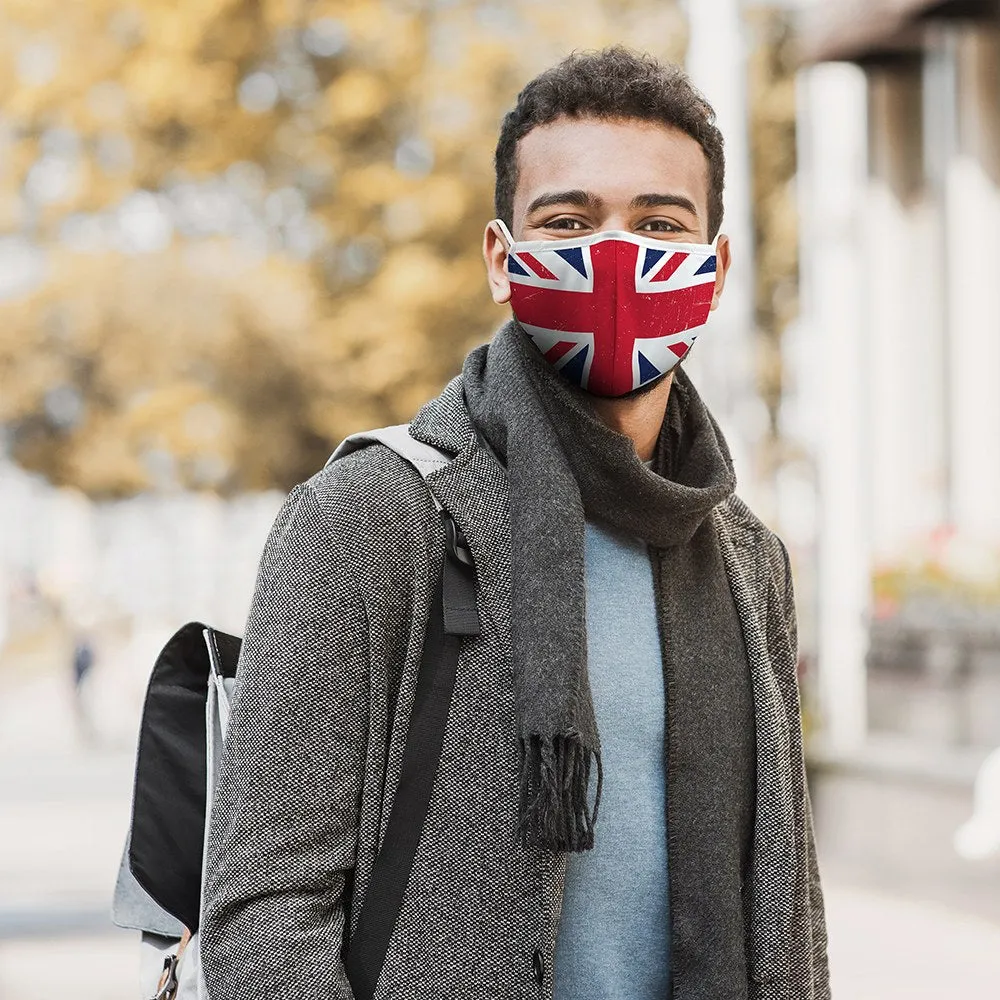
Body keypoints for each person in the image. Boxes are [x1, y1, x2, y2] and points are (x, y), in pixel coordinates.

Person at [201, 46, 830, 1000]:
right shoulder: (370, 520)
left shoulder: (745, 558)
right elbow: (264, 912)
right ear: (503, 258)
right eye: (569, 221)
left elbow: (788, 902)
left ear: (716, 265)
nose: (616, 256)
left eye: (660, 225)